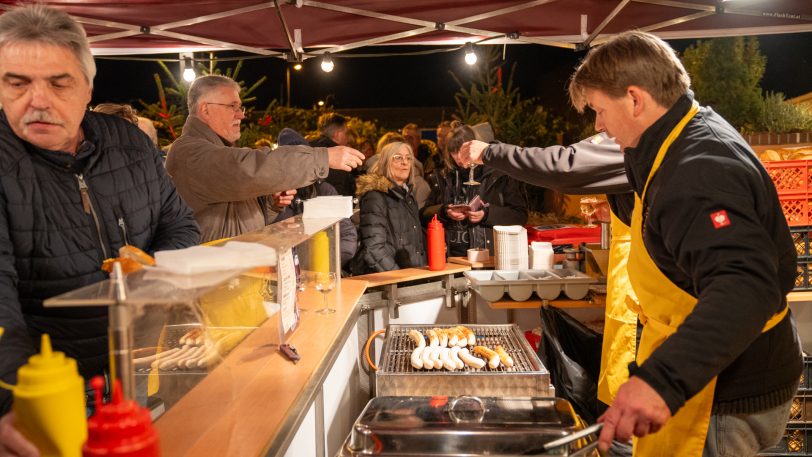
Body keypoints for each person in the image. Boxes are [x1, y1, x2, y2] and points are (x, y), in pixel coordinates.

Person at [566, 31, 800, 456]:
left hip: (723, 392)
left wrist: (661, 381)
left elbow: (746, 286)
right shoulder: (675, 138)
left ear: (635, 99)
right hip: (713, 371)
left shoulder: (698, 168)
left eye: (600, 110)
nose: (598, 125)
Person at [0, 5, 200, 454]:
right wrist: (16, 397)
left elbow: (181, 225)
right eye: (17, 83)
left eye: (58, 82)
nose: (37, 100)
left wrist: (149, 272)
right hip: (51, 390)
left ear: (87, 87)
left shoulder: (128, 142)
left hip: (140, 364)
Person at [166, 76, 363, 242]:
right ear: (205, 109)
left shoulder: (216, 149)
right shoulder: (189, 152)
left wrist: (270, 205)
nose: (240, 115)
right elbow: (245, 171)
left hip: (234, 274)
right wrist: (321, 157)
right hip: (212, 278)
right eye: (232, 106)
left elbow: (233, 215)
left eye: (240, 107)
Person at [422, 122, 527, 257]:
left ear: (474, 147)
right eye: (453, 152)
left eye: (461, 151)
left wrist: (487, 214)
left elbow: (520, 216)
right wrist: (444, 211)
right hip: (452, 260)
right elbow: (424, 215)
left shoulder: (499, 175)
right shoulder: (442, 177)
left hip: (489, 258)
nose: (458, 158)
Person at [272, 128, 358, 271]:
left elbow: (347, 235)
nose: (298, 166)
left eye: (303, 158)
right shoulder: (271, 195)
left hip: (322, 276)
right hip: (282, 277)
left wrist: (325, 265)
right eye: (291, 160)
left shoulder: (324, 191)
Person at [352, 142, 426, 274]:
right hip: (390, 282)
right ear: (386, 162)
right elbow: (374, 249)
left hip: (412, 276)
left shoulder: (407, 195)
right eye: (398, 157)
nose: (405, 162)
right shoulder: (375, 196)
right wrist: (398, 276)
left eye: (408, 158)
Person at [310, 112, 356, 197]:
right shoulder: (339, 156)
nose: (348, 138)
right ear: (338, 135)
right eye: (346, 133)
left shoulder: (308, 148)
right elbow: (339, 190)